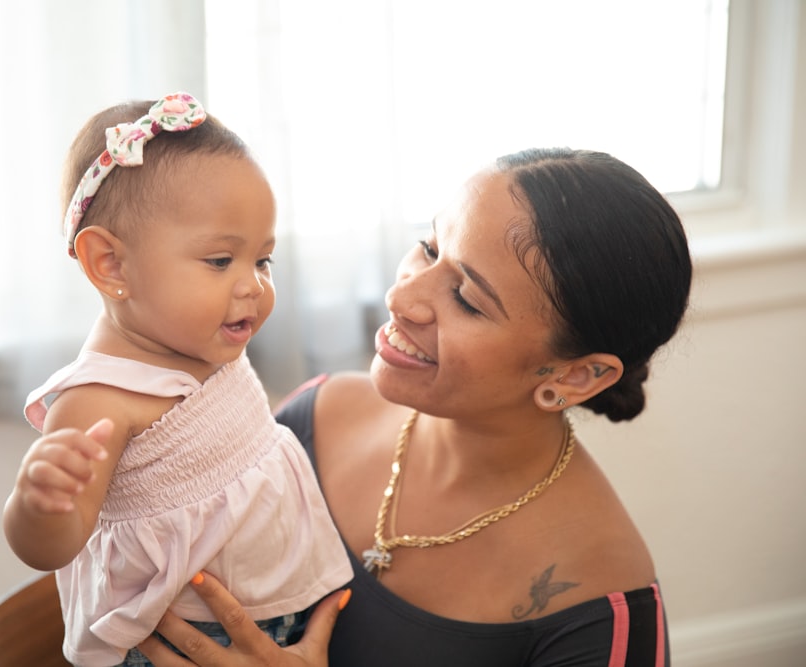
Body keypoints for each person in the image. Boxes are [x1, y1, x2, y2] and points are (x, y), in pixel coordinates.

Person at [136, 147, 691, 666]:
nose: (400, 299)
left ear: (575, 375)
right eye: (428, 247)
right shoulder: (313, 417)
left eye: (468, 300)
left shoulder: (601, 603)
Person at [2, 92, 353, 667]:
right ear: (110, 265)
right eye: (221, 261)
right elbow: (53, 548)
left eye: (263, 261)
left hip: (276, 620)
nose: (253, 287)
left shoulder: (203, 337)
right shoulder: (100, 398)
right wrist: (38, 506)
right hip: (187, 641)